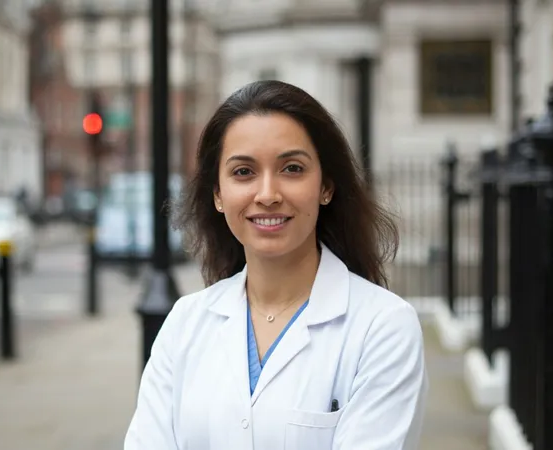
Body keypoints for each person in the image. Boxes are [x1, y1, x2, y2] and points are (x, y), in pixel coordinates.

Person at [124, 80, 428, 449]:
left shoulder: (383, 328)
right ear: (218, 195)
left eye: (292, 168)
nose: (267, 194)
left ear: (326, 186)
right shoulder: (185, 323)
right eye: (243, 172)